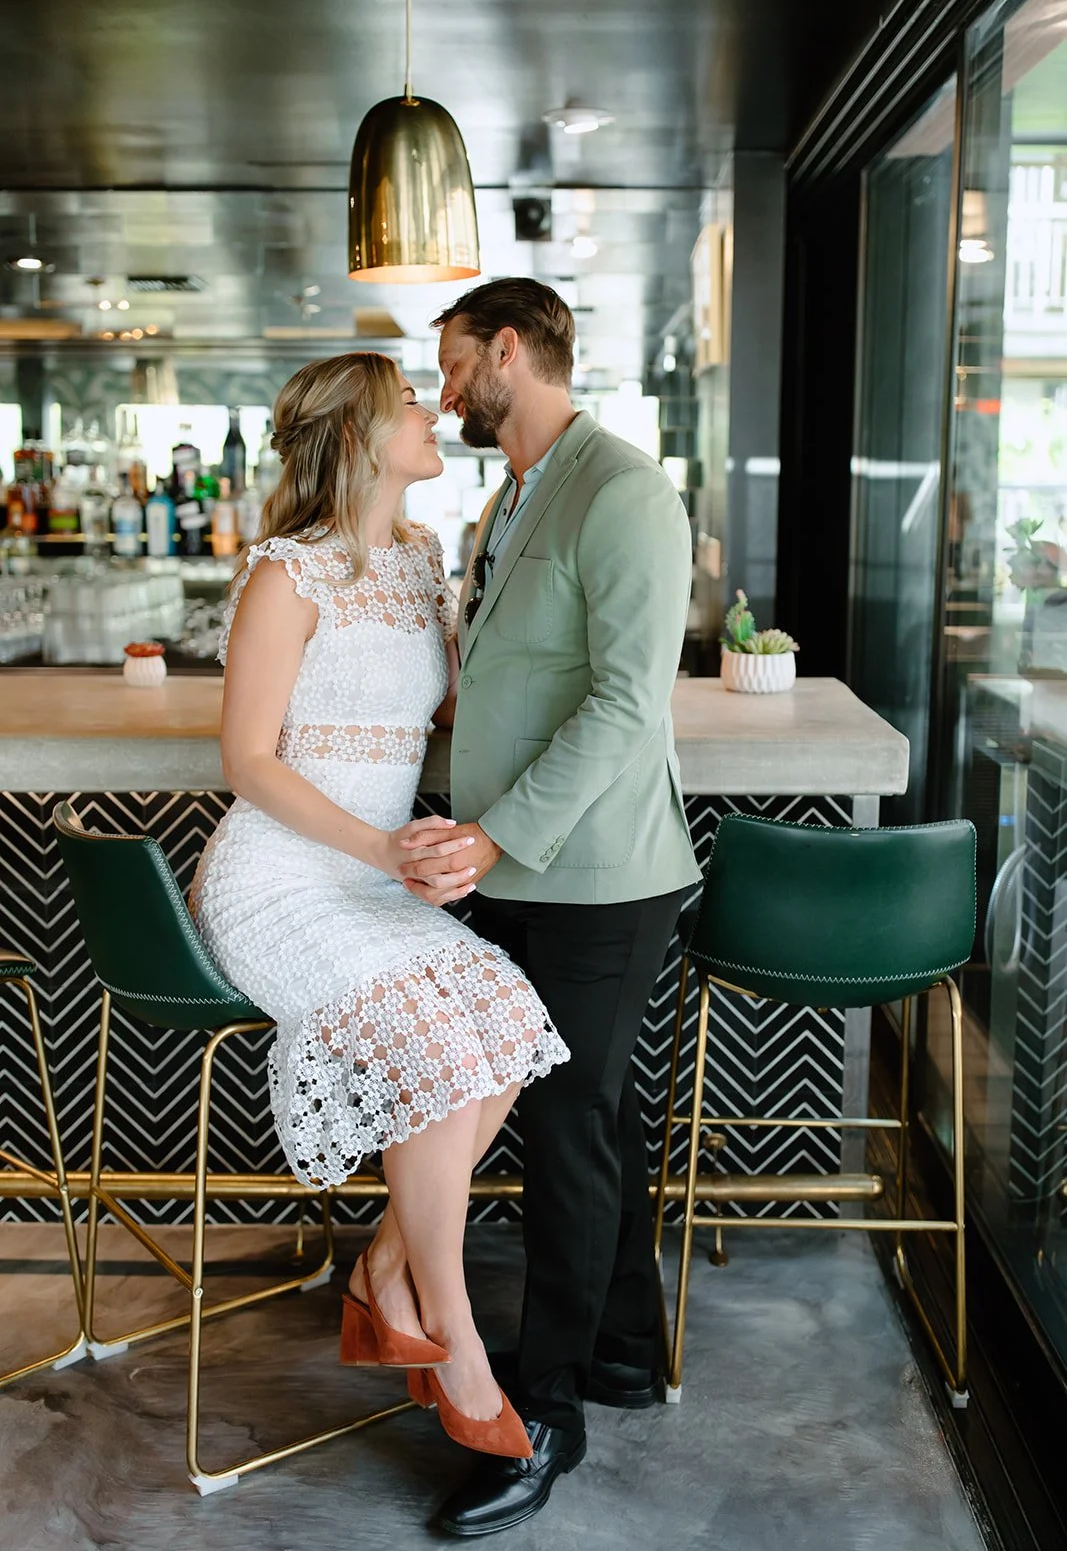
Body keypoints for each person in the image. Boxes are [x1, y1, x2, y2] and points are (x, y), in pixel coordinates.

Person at [189, 351, 570, 1465]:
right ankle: (449, 1338)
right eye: (409, 400)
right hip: (276, 878)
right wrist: (378, 845)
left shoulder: (417, 558)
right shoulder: (284, 575)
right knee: (433, 1050)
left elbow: (449, 701)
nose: (432, 407)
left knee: (501, 1026)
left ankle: (384, 1269)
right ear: (360, 436)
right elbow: (245, 759)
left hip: (372, 875)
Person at [398, 279, 702, 1536]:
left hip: (597, 874)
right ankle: (627, 1348)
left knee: (569, 1121)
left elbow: (629, 705)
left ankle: (550, 1406)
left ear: (509, 350)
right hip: (517, 871)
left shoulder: (623, 491)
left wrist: (493, 828)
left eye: (456, 362)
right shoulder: (510, 496)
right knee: (594, 1115)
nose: (445, 389)